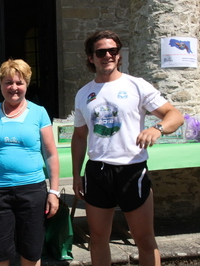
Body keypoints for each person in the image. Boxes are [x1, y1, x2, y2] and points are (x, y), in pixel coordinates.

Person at [71, 30, 184, 266]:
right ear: (91, 58)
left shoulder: (136, 85)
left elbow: (175, 115)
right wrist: (76, 175)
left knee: (144, 238)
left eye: (113, 51)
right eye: (101, 52)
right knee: (99, 238)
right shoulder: (83, 93)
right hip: (98, 171)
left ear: (119, 55)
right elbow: (80, 136)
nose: (108, 56)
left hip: (132, 170)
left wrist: (158, 129)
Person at [0, 59, 60, 266]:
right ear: (1, 84)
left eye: (19, 83)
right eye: (8, 82)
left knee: (31, 253)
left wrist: (54, 192)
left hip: (32, 191)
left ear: (27, 84)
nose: (14, 88)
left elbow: (51, 154)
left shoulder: (39, 113)